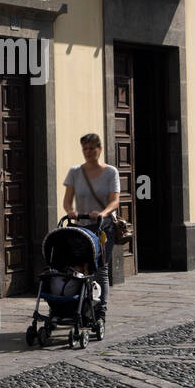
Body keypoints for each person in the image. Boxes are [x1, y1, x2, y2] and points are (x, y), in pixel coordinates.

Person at [62, 132, 120, 313]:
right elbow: (67, 200)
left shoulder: (111, 172)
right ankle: (81, 303)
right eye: (85, 149)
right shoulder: (75, 172)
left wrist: (102, 213)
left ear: (100, 149)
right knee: (78, 265)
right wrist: (70, 211)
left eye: (92, 148)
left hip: (103, 226)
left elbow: (115, 200)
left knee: (101, 267)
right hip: (81, 227)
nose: (88, 152)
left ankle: (101, 307)